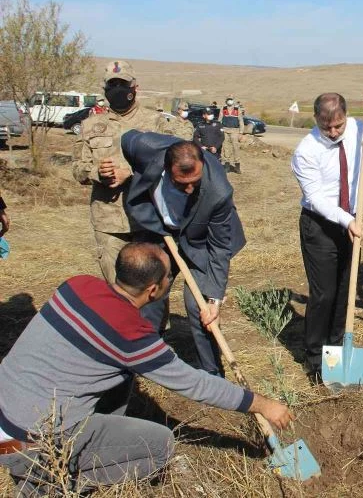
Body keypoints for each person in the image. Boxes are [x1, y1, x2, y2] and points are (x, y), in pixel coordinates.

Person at [0, 243, 292, 496]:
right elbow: (197, 385)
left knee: (122, 375)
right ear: (154, 290)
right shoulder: (131, 337)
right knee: (160, 445)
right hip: (28, 446)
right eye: (169, 277)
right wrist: (263, 404)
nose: (170, 281)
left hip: (4, 417)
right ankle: (49, 484)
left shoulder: (77, 285)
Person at [291, 86, 363, 383]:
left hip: (353, 220)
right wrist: (344, 221)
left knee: (345, 290)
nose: (334, 131)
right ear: (316, 119)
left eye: (338, 124)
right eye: (327, 126)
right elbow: (315, 197)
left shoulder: (357, 127)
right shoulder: (306, 150)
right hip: (320, 225)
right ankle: (314, 357)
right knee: (323, 293)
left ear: (344, 116)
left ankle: (336, 349)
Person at [122, 135, 246, 376]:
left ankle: (212, 373)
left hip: (201, 240)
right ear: (166, 170)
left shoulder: (218, 191)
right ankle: (149, 353)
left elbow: (220, 247)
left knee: (200, 307)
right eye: (181, 183)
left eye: (195, 182)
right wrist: (125, 172)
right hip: (161, 232)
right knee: (150, 292)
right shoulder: (142, 146)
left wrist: (214, 300)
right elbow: (126, 140)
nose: (189, 189)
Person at [72, 60, 166, 283]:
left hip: (148, 219)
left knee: (150, 291)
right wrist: (97, 172)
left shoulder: (156, 123)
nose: (117, 90)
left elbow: (170, 164)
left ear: (135, 88)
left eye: (123, 84)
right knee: (117, 291)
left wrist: (132, 173)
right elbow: (77, 169)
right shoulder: (90, 125)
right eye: (112, 85)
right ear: (104, 90)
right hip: (108, 222)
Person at [219, 94, 244, 173]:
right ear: (226, 100)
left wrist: (241, 132)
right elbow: (219, 120)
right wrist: (219, 130)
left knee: (235, 148)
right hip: (225, 130)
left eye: (231, 99)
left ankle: (237, 167)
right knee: (226, 148)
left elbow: (241, 121)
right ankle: (227, 166)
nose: (230, 100)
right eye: (229, 99)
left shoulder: (237, 109)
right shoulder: (223, 108)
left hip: (235, 131)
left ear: (233, 100)